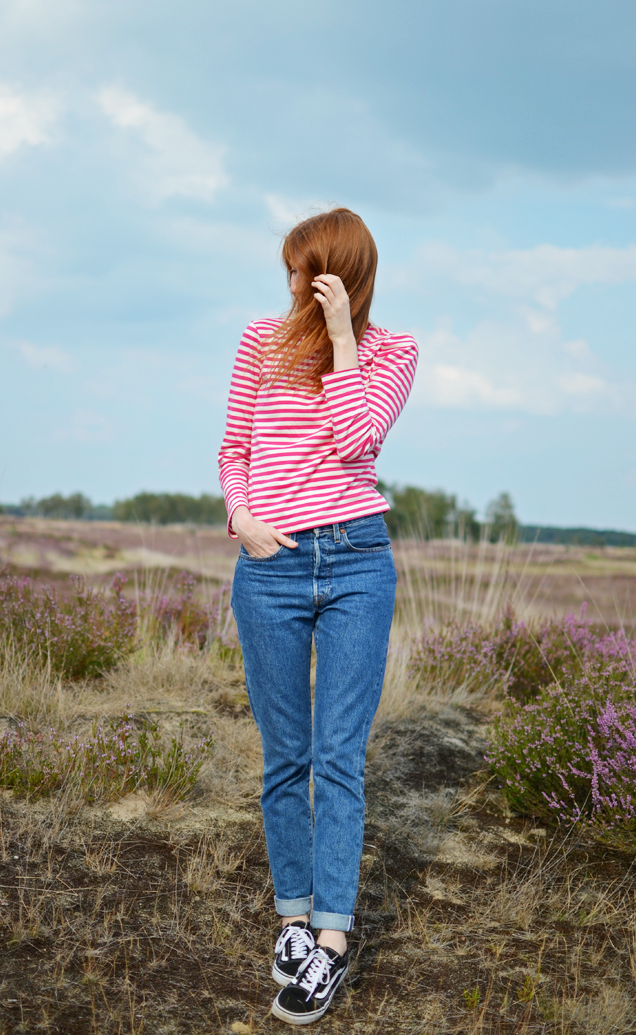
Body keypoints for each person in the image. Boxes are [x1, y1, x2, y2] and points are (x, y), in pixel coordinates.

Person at [218, 207, 418, 1024]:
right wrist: (241, 518)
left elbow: (356, 445)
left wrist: (342, 341)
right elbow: (234, 447)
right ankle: (292, 919)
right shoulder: (258, 341)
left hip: (358, 565)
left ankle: (331, 941)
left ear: (343, 274)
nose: (295, 283)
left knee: (339, 757)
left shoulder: (391, 352)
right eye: (291, 269)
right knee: (284, 755)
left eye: (308, 269)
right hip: (271, 565)